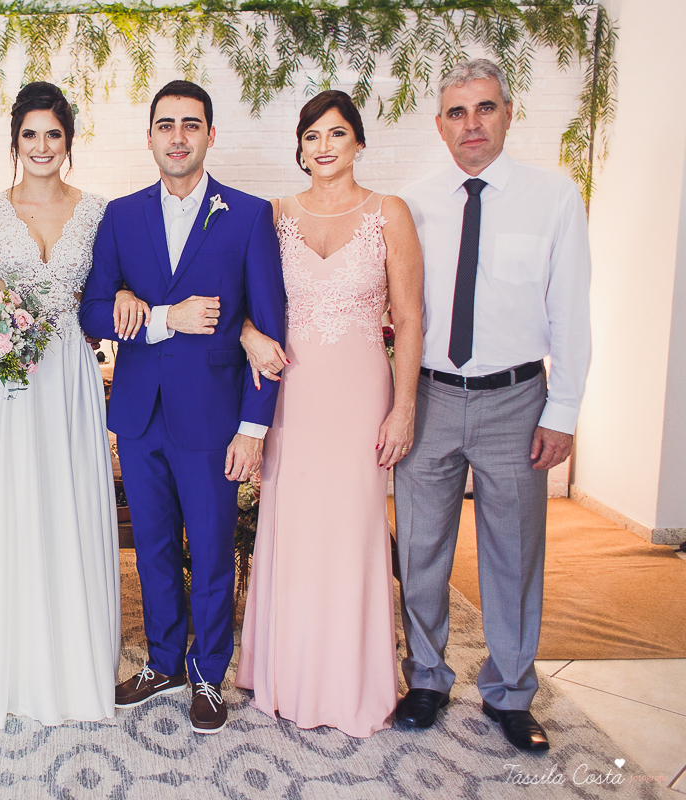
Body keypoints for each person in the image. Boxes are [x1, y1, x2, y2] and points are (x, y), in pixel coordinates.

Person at [392, 59, 591, 751]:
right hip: (431, 396)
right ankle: (425, 677)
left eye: (484, 109)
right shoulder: (411, 204)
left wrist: (562, 409)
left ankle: (510, 692)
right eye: (456, 112)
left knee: (514, 554)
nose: (471, 124)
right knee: (420, 549)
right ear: (439, 123)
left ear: (508, 113)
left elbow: (569, 313)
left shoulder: (554, 198)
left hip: (516, 401)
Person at [80, 80, 286, 735]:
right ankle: (163, 661)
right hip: (139, 416)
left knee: (215, 548)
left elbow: (269, 330)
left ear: (209, 136)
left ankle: (207, 673)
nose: (177, 136)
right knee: (155, 550)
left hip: (213, 419)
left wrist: (253, 427)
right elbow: (91, 310)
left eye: (190, 125)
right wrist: (164, 316)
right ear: (149, 137)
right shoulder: (120, 215)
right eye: (165, 125)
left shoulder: (249, 216)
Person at [233, 91, 424, 737]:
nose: (323, 146)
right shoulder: (275, 214)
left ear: (358, 143)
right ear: (300, 146)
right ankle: (287, 672)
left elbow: (412, 318)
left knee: (352, 529)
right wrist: (248, 336)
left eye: (336, 134)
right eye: (312, 135)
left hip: (361, 392)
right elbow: (241, 299)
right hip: (293, 395)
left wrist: (403, 409)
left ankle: (350, 684)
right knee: (293, 526)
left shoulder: (389, 214)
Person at [0, 82, 120, 728]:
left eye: (54, 134)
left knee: (66, 500)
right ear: (15, 141)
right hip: (10, 381)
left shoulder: (98, 211)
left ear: (68, 142)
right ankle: (7, 661)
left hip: (68, 372)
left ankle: (71, 661)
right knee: (11, 505)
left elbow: (100, 302)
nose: (42, 147)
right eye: (31, 135)